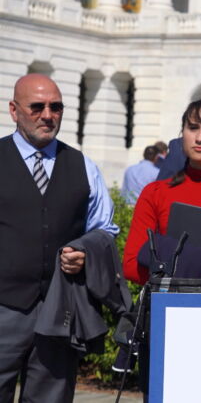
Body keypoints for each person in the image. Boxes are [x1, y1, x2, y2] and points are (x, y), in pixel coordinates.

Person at [0, 74, 118, 402]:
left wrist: (86, 252)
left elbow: (105, 229)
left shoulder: (83, 166)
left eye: (56, 107)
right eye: (37, 107)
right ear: (14, 110)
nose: (48, 115)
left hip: (60, 309)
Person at [123, 100, 201, 285]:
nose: (200, 138)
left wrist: (165, 254)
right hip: (165, 306)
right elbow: (131, 266)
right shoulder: (155, 192)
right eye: (193, 127)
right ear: (182, 134)